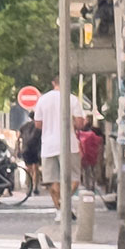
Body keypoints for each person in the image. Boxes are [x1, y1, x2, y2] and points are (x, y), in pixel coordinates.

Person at [34, 83, 88, 213]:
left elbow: (38, 124)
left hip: (48, 145)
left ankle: (60, 210)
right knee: (74, 178)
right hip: (69, 145)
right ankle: (64, 203)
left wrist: (50, 126)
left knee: (52, 181)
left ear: (53, 83)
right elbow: (80, 123)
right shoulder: (72, 99)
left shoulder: (43, 99)